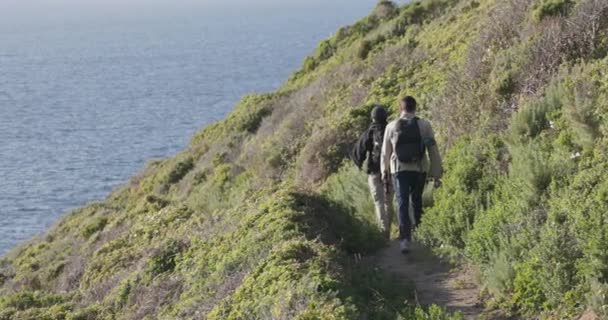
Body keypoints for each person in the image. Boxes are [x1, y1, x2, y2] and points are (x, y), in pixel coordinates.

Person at [381, 96, 442, 253]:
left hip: (399, 170)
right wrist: (436, 172)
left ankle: (405, 240)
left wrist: (384, 173)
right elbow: (433, 150)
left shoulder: (391, 126)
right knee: (417, 201)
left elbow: (385, 153)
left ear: (400, 108)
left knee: (402, 202)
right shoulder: (424, 125)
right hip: (420, 169)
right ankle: (420, 233)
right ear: (415, 108)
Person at [351, 105, 394, 239]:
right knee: (389, 201)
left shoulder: (369, 132)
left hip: (374, 171)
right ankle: (390, 228)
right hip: (390, 170)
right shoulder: (391, 129)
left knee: (379, 202)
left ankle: (384, 231)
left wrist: (359, 164)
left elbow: (358, 152)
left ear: (372, 118)